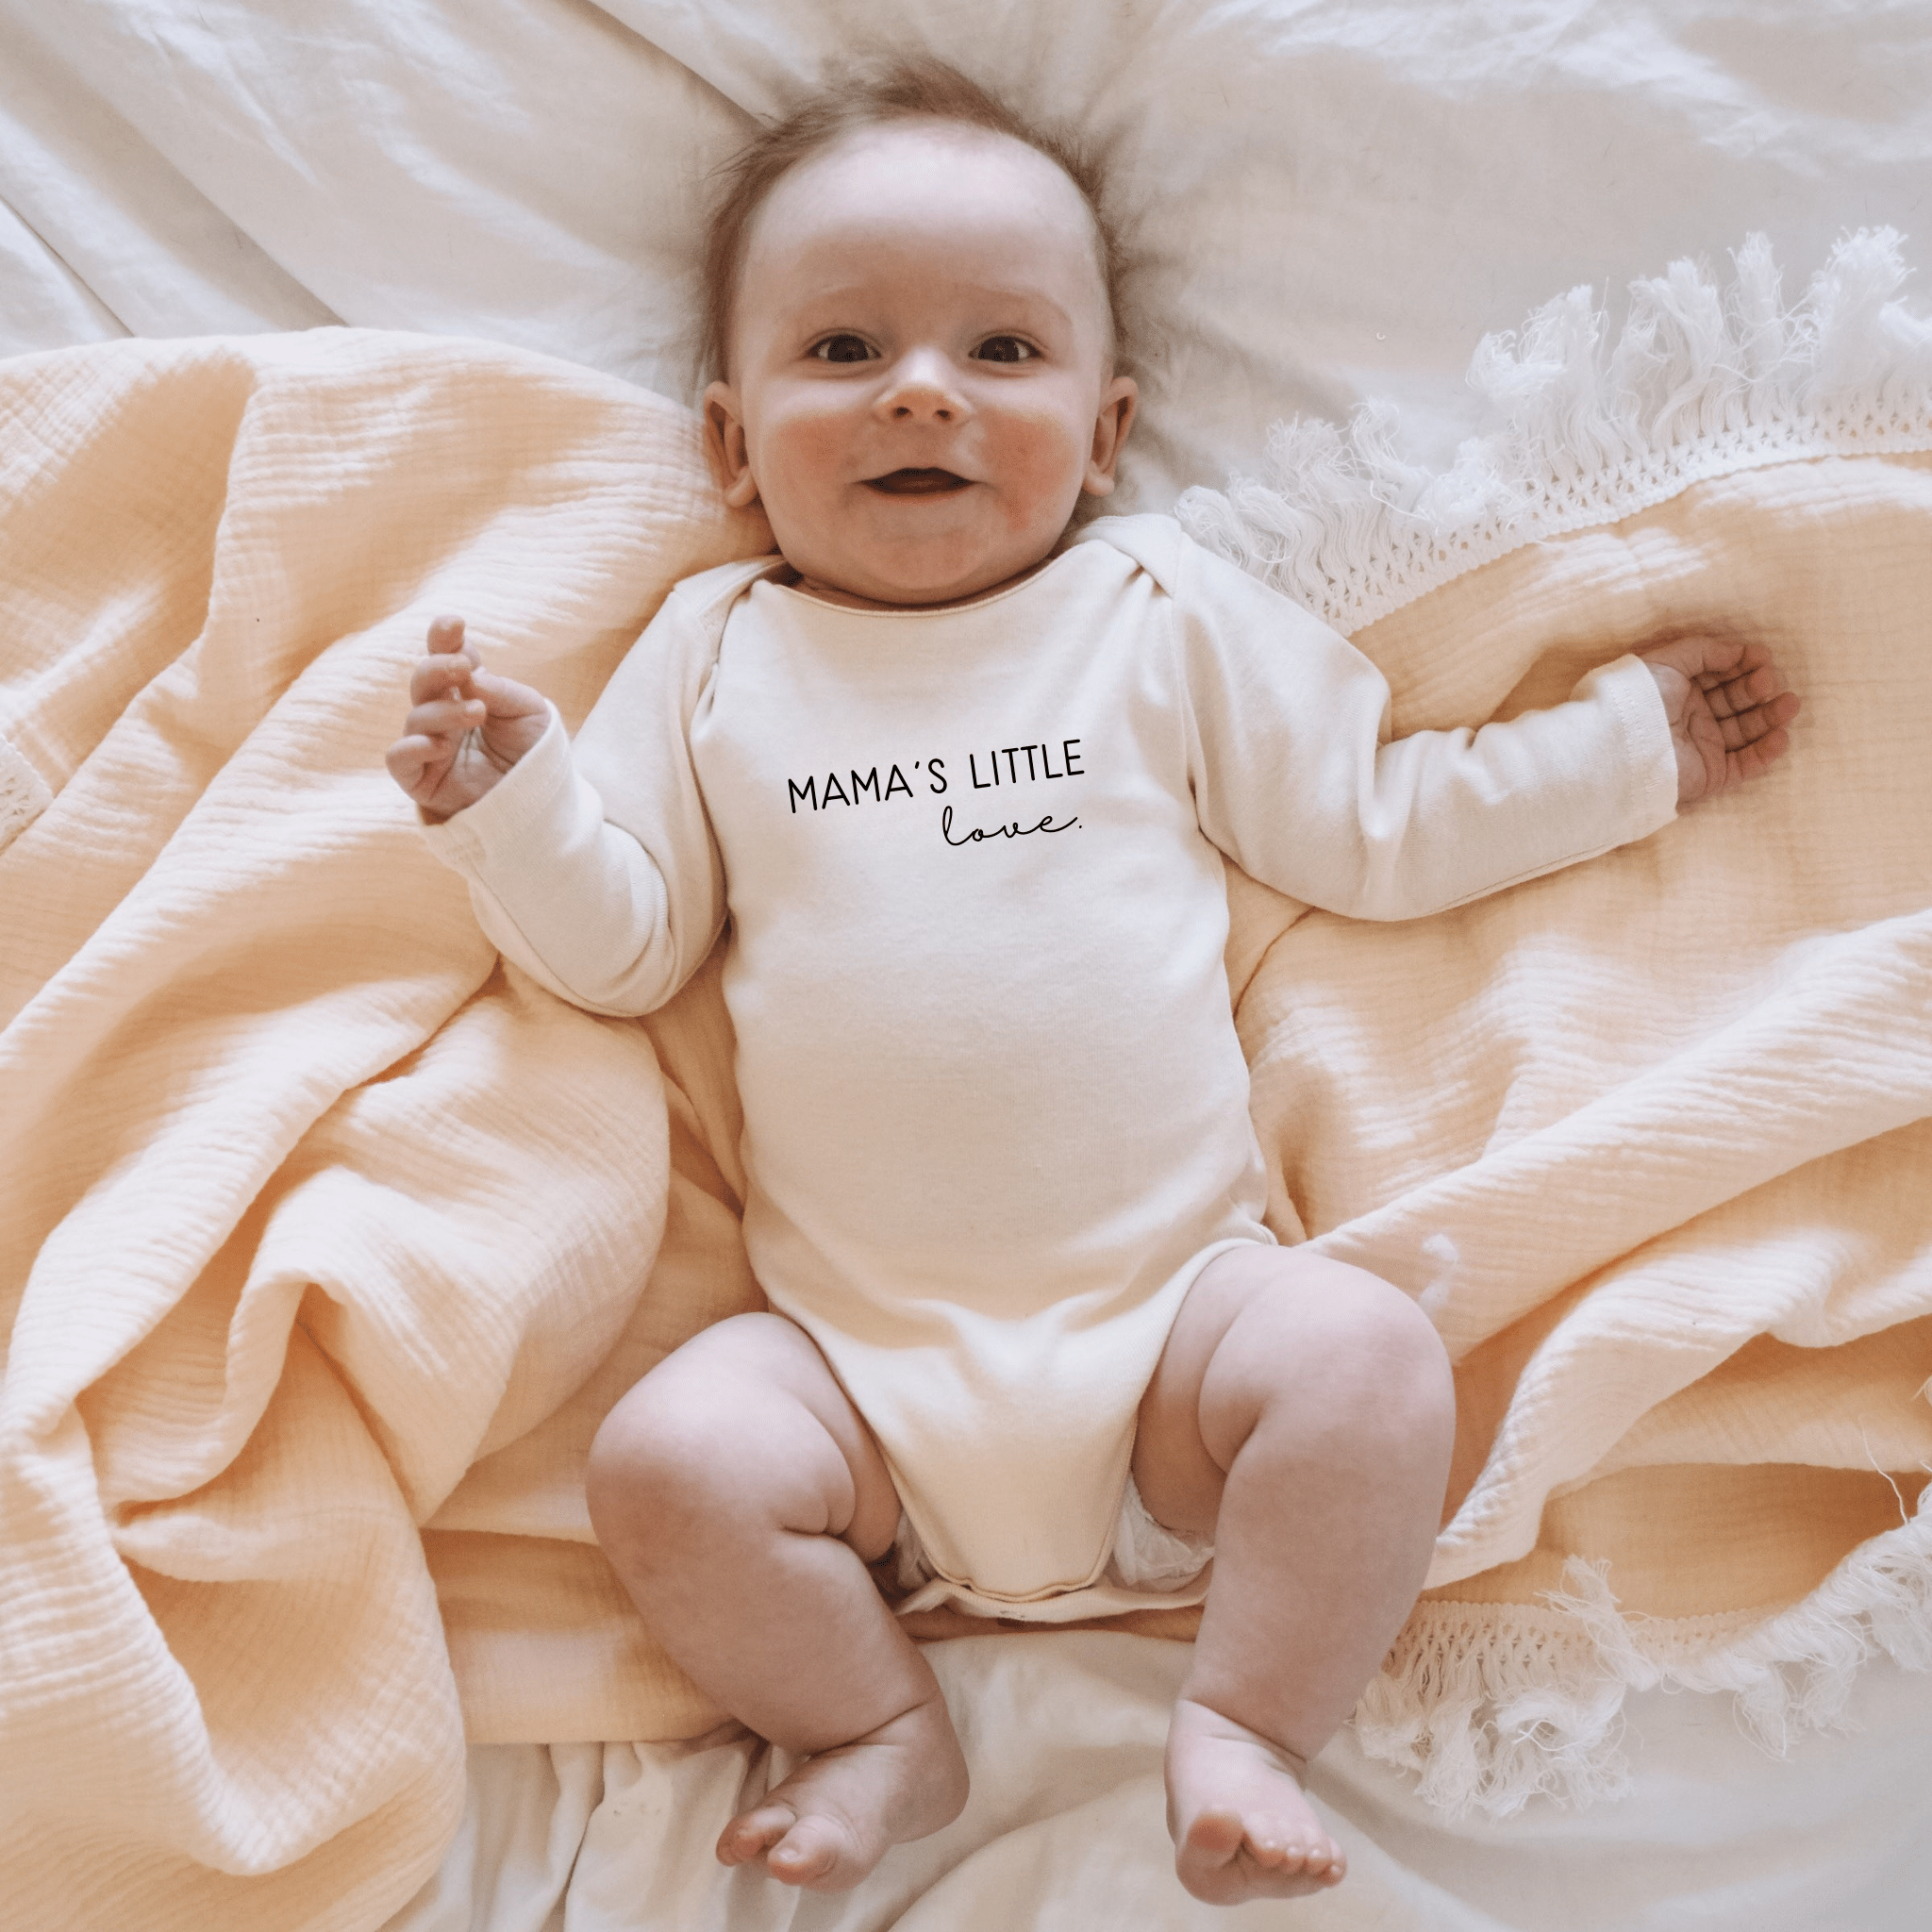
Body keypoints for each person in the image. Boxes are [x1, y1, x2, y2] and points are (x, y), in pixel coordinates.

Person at [385, 61, 1798, 1908]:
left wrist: (1621, 753)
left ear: (1107, 427)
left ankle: (1247, 1721)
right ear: (730, 445)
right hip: (855, 1390)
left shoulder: (1150, 610)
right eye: (842, 350)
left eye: (1001, 350)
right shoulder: (718, 651)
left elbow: (1377, 824)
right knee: (664, 1461)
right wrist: (513, 807)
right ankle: (869, 1721)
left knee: (1365, 1360)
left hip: (1175, 1345)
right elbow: (626, 945)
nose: (921, 391)